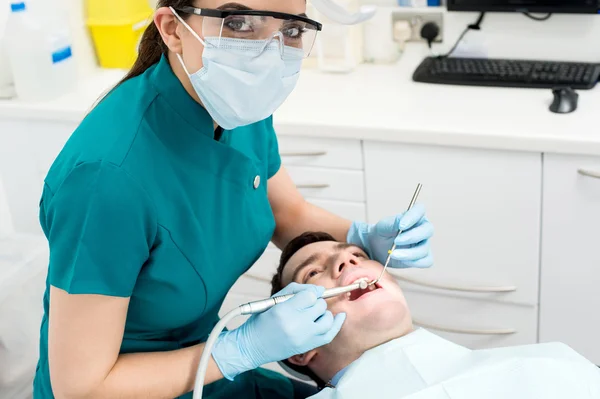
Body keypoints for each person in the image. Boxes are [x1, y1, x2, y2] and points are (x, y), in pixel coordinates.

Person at [32, 1, 435, 398]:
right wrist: (238, 350)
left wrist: (358, 236)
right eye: (239, 22)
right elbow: (83, 387)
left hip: (210, 372)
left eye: (292, 29)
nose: (269, 50)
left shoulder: (235, 98)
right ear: (172, 28)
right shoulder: (107, 179)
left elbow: (285, 211)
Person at [269, 232, 600, 398]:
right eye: (313, 274)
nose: (348, 263)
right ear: (299, 349)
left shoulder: (552, 362)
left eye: (357, 254)